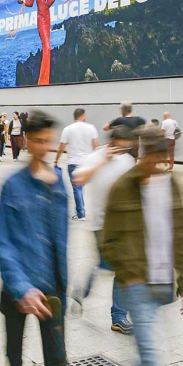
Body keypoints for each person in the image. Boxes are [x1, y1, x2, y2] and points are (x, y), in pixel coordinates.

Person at [99, 127, 183, 366]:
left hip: (164, 283)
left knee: (152, 355)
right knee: (152, 359)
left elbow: (182, 236)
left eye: (161, 158)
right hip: (137, 284)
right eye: (153, 158)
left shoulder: (172, 185)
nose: (157, 165)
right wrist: (128, 273)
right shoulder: (122, 186)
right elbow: (108, 240)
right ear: (143, 154)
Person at [0, 111, 68, 366]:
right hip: (18, 290)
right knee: (13, 358)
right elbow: (4, 244)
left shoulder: (59, 184)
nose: (43, 147)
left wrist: (64, 285)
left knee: (57, 363)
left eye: (48, 141)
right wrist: (22, 288)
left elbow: (61, 241)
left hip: (52, 288)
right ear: (26, 140)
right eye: (38, 141)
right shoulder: (12, 185)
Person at [70, 121, 137, 334]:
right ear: (113, 141)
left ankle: (85, 291)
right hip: (100, 225)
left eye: (127, 147)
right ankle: (117, 316)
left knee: (110, 266)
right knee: (118, 267)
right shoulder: (95, 157)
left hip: (122, 225)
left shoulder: (128, 160)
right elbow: (78, 179)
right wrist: (102, 162)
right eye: (122, 146)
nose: (124, 151)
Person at [55, 108, 98, 221]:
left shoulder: (67, 129)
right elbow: (95, 145)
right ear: (82, 116)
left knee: (77, 188)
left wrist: (56, 160)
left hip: (73, 162)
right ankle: (81, 211)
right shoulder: (91, 128)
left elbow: (61, 147)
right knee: (81, 187)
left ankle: (81, 213)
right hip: (87, 163)